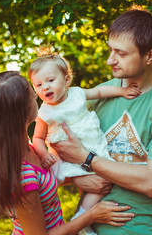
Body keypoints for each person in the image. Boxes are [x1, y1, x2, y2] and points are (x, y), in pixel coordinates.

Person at [50, 7, 152, 235]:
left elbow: (151, 183)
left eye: (122, 53)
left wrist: (86, 158)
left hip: (142, 229)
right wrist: (76, 180)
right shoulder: (99, 94)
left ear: (150, 56)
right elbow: (57, 155)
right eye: (110, 50)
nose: (110, 60)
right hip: (87, 227)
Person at [0, 71, 135, 235]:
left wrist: (76, 179)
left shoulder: (28, 146)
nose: (37, 96)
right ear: (21, 114)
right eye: (32, 95)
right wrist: (91, 216)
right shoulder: (23, 176)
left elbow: (43, 183)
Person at [28, 46, 141, 234]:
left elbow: (99, 92)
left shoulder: (77, 93)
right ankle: (81, 219)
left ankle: (82, 216)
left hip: (92, 147)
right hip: (65, 158)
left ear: (66, 80)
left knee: (101, 183)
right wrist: (42, 153)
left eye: (50, 80)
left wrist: (122, 91)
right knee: (95, 183)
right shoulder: (45, 112)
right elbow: (37, 137)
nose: (45, 87)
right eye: (38, 85)